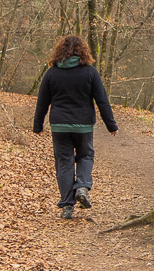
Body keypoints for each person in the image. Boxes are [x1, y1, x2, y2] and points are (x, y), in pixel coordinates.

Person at [32, 36, 118, 219]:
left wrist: (37, 125)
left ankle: (67, 206)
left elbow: (42, 102)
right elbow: (102, 100)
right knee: (86, 155)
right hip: (84, 125)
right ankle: (82, 186)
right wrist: (111, 124)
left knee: (64, 162)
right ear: (83, 51)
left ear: (60, 52)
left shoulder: (51, 73)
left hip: (59, 126)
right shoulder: (90, 72)